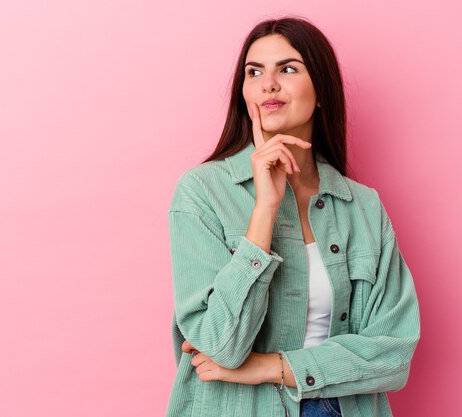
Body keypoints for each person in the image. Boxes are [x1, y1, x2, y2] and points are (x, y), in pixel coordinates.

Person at [165, 16, 420, 417]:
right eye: (254, 72)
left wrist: (274, 367)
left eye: (287, 68)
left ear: (321, 91)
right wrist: (264, 208)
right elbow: (220, 345)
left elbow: (394, 351)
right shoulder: (202, 192)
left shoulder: (364, 207)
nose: (268, 83)